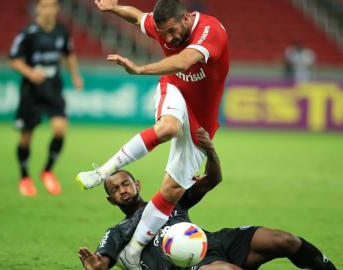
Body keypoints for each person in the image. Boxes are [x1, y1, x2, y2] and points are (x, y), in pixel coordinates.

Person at [76, 0, 229, 268]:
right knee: (169, 127)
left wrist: (140, 69)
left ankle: (132, 251)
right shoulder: (162, 25)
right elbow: (137, 17)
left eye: (172, 31)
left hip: (202, 117)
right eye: (163, 33)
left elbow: (183, 61)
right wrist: (112, 8)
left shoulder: (210, 29)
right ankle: (102, 171)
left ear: (185, 18)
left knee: (172, 190)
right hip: (175, 88)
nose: (168, 38)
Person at [78, 129, 337, 270]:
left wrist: (211, 152)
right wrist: (96, 264)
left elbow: (213, 180)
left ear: (137, 184)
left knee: (285, 240)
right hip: (187, 263)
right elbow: (103, 260)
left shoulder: (169, 199)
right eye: (115, 189)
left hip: (212, 241)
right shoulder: (119, 231)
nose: (122, 190)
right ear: (111, 200)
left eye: (125, 183)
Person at [8, 0, 83, 197]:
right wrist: (30, 73)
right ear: (38, 9)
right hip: (31, 91)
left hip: (53, 88)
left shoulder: (61, 31)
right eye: (45, 6)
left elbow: (69, 54)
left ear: (57, 9)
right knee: (26, 136)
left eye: (52, 6)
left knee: (60, 130)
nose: (49, 10)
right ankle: (24, 176)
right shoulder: (28, 33)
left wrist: (75, 75)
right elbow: (13, 59)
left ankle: (47, 171)